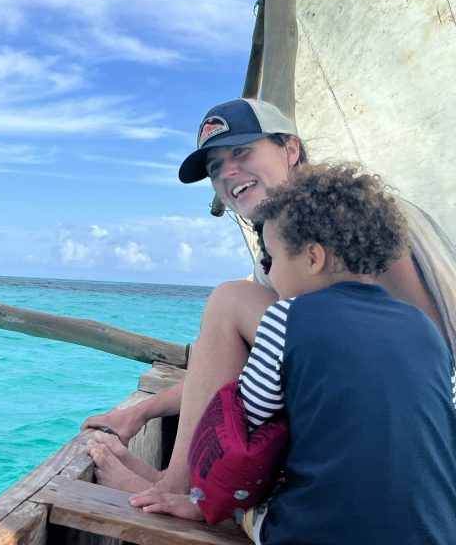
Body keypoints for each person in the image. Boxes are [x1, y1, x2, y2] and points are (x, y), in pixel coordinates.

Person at [82, 98, 453, 496]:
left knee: (228, 300)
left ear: (290, 149)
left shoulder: (366, 220)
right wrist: (141, 412)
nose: (227, 171)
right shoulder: (277, 256)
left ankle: (177, 487)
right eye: (213, 167)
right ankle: (172, 483)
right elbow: (228, 369)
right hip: (365, 421)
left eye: (241, 151)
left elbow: (433, 355)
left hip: (414, 438)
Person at [130, 163, 456, 544]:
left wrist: (203, 502)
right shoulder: (424, 330)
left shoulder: (286, 318)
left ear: (313, 258)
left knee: (255, 493)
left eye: (271, 260)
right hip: (436, 532)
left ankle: (173, 493)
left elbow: (239, 436)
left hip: (316, 533)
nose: (268, 272)